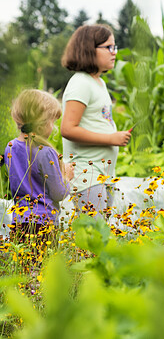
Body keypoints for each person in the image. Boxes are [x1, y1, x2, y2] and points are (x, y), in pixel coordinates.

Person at [60, 24, 130, 215]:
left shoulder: (99, 83)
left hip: (103, 175)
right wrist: (111, 139)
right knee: (92, 237)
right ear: (89, 50)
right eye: (108, 47)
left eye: (114, 47)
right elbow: (68, 129)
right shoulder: (81, 83)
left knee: (100, 236)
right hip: (86, 176)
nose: (114, 53)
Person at [4, 89, 74, 243]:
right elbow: (58, 193)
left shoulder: (10, 147)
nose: (53, 127)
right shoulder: (45, 152)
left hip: (19, 221)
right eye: (52, 122)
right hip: (44, 223)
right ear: (42, 125)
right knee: (45, 266)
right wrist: (67, 177)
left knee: (24, 265)